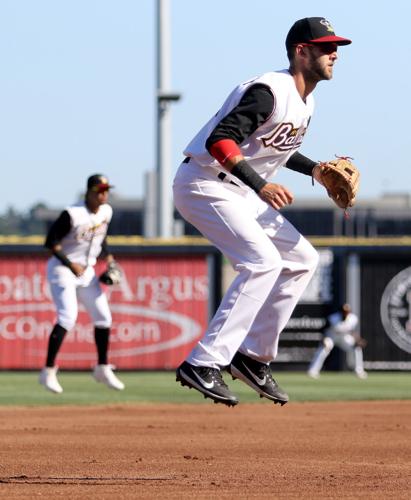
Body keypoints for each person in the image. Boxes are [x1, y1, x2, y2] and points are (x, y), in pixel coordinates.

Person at [172, 17, 352, 406]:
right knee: (262, 263)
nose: (334, 53)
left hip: (240, 193)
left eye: (335, 46)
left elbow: (276, 148)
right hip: (205, 184)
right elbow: (221, 140)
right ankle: (203, 362)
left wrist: (316, 170)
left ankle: (253, 356)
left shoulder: (307, 101)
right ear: (301, 51)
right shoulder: (269, 91)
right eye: (325, 46)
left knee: (302, 258)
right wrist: (262, 185)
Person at [39, 174, 125, 393]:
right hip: (62, 269)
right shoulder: (72, 214)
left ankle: (102, 368)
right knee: (68, 317)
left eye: (106, 190)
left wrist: (109, 259)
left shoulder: (107, 211)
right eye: (100, 190)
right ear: (89, 192)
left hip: (86, 271)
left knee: (104, 318)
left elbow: (101, 238)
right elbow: (51, 243)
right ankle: (48, 371)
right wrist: (70, 265)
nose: (104, 194)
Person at [307, 303, 367, 379]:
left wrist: (358, 339)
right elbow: (323, 329)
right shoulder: (333, 318)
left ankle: (359, 371)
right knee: (324, 349)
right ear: (340, 311)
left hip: (344, 338)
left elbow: (352, 331)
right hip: (331, 337)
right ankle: (313, 371)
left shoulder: (353, 318)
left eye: (347, 312)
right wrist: (324, 339)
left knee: (357, 348)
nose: (345, 313)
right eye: (344, 311)